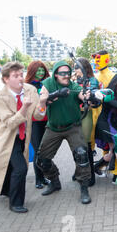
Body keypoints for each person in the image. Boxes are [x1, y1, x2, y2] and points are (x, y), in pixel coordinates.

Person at [35, 60, 93, 204]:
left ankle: (84, 188)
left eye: (68, 73)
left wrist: (88, 96)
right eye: (62, 73)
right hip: (54, 127)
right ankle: (54, 181)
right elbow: (42, 99)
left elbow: (82, 95)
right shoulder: (48, 83)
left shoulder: (73, 85)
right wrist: (56, 94)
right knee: (42, 160)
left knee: (81, 155)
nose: (66, 76)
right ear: (55, 74)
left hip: (73, 127)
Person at [0, 62, 47, 213]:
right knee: (21, 168)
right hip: (7, 138)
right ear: (6, 79)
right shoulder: (0, 98)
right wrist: (24, 107)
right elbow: (11, 124)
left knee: (11, 166)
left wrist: (43, 102)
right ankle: (16, 202)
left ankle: (4, 190)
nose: (20, 78)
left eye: (21, 75)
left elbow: (37, 115)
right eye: (15, 76)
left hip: (24, 136)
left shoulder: (30, 90)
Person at [73, 57, 102, 186]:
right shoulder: (74, 80)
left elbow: (93, 97)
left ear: (84, 68)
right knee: (76, 146)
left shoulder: (92, 81)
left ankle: (90, 175)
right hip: (74, 115)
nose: (75, 70)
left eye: (77, 67)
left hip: (86, 114)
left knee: (86, 145)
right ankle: (79, 171)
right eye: (74, 68)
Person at [25, 61, 51, 189]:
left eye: (42, 70)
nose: (40, 72)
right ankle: (38, 179)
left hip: (47, 121)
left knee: (45, 150)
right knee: (38, 151)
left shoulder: (46, 83)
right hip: (34, 122)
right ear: (32, 71)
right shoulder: (27, 86)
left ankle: (44, 176)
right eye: (38, 70)